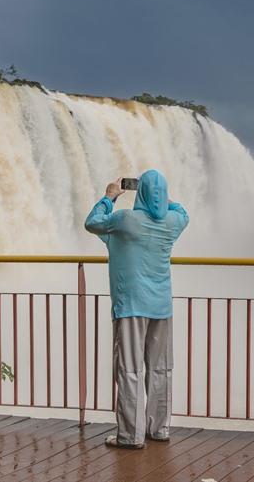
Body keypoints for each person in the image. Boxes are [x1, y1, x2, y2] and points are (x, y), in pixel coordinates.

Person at [84, 170, 189, 449]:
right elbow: (184, 212)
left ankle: (130, 436)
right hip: (161, 306)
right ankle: (159, 429)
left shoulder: (125, 220)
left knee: (130, 369)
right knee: (160, 369)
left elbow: (92, 223)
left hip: (131, 304)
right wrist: (164, 200)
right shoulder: (173, 222)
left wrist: (109, 197)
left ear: (138, 192)